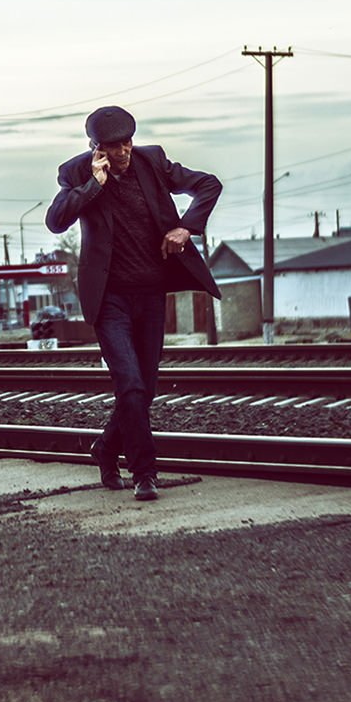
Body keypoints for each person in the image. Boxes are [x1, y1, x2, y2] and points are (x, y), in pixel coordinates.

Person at [45, 104, 222, 501]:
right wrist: (94, 184)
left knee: (145, 389)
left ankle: (106, 449)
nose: (124, 153)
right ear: (97, 148)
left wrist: (185, 227)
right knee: (129, 385)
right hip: (110, 300)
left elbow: (209, 184)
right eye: (115, 147)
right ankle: (145, 473)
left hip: (150, 294)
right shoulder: (77, 172)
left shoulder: (152, 161)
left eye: (128, 144)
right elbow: (56, 221)